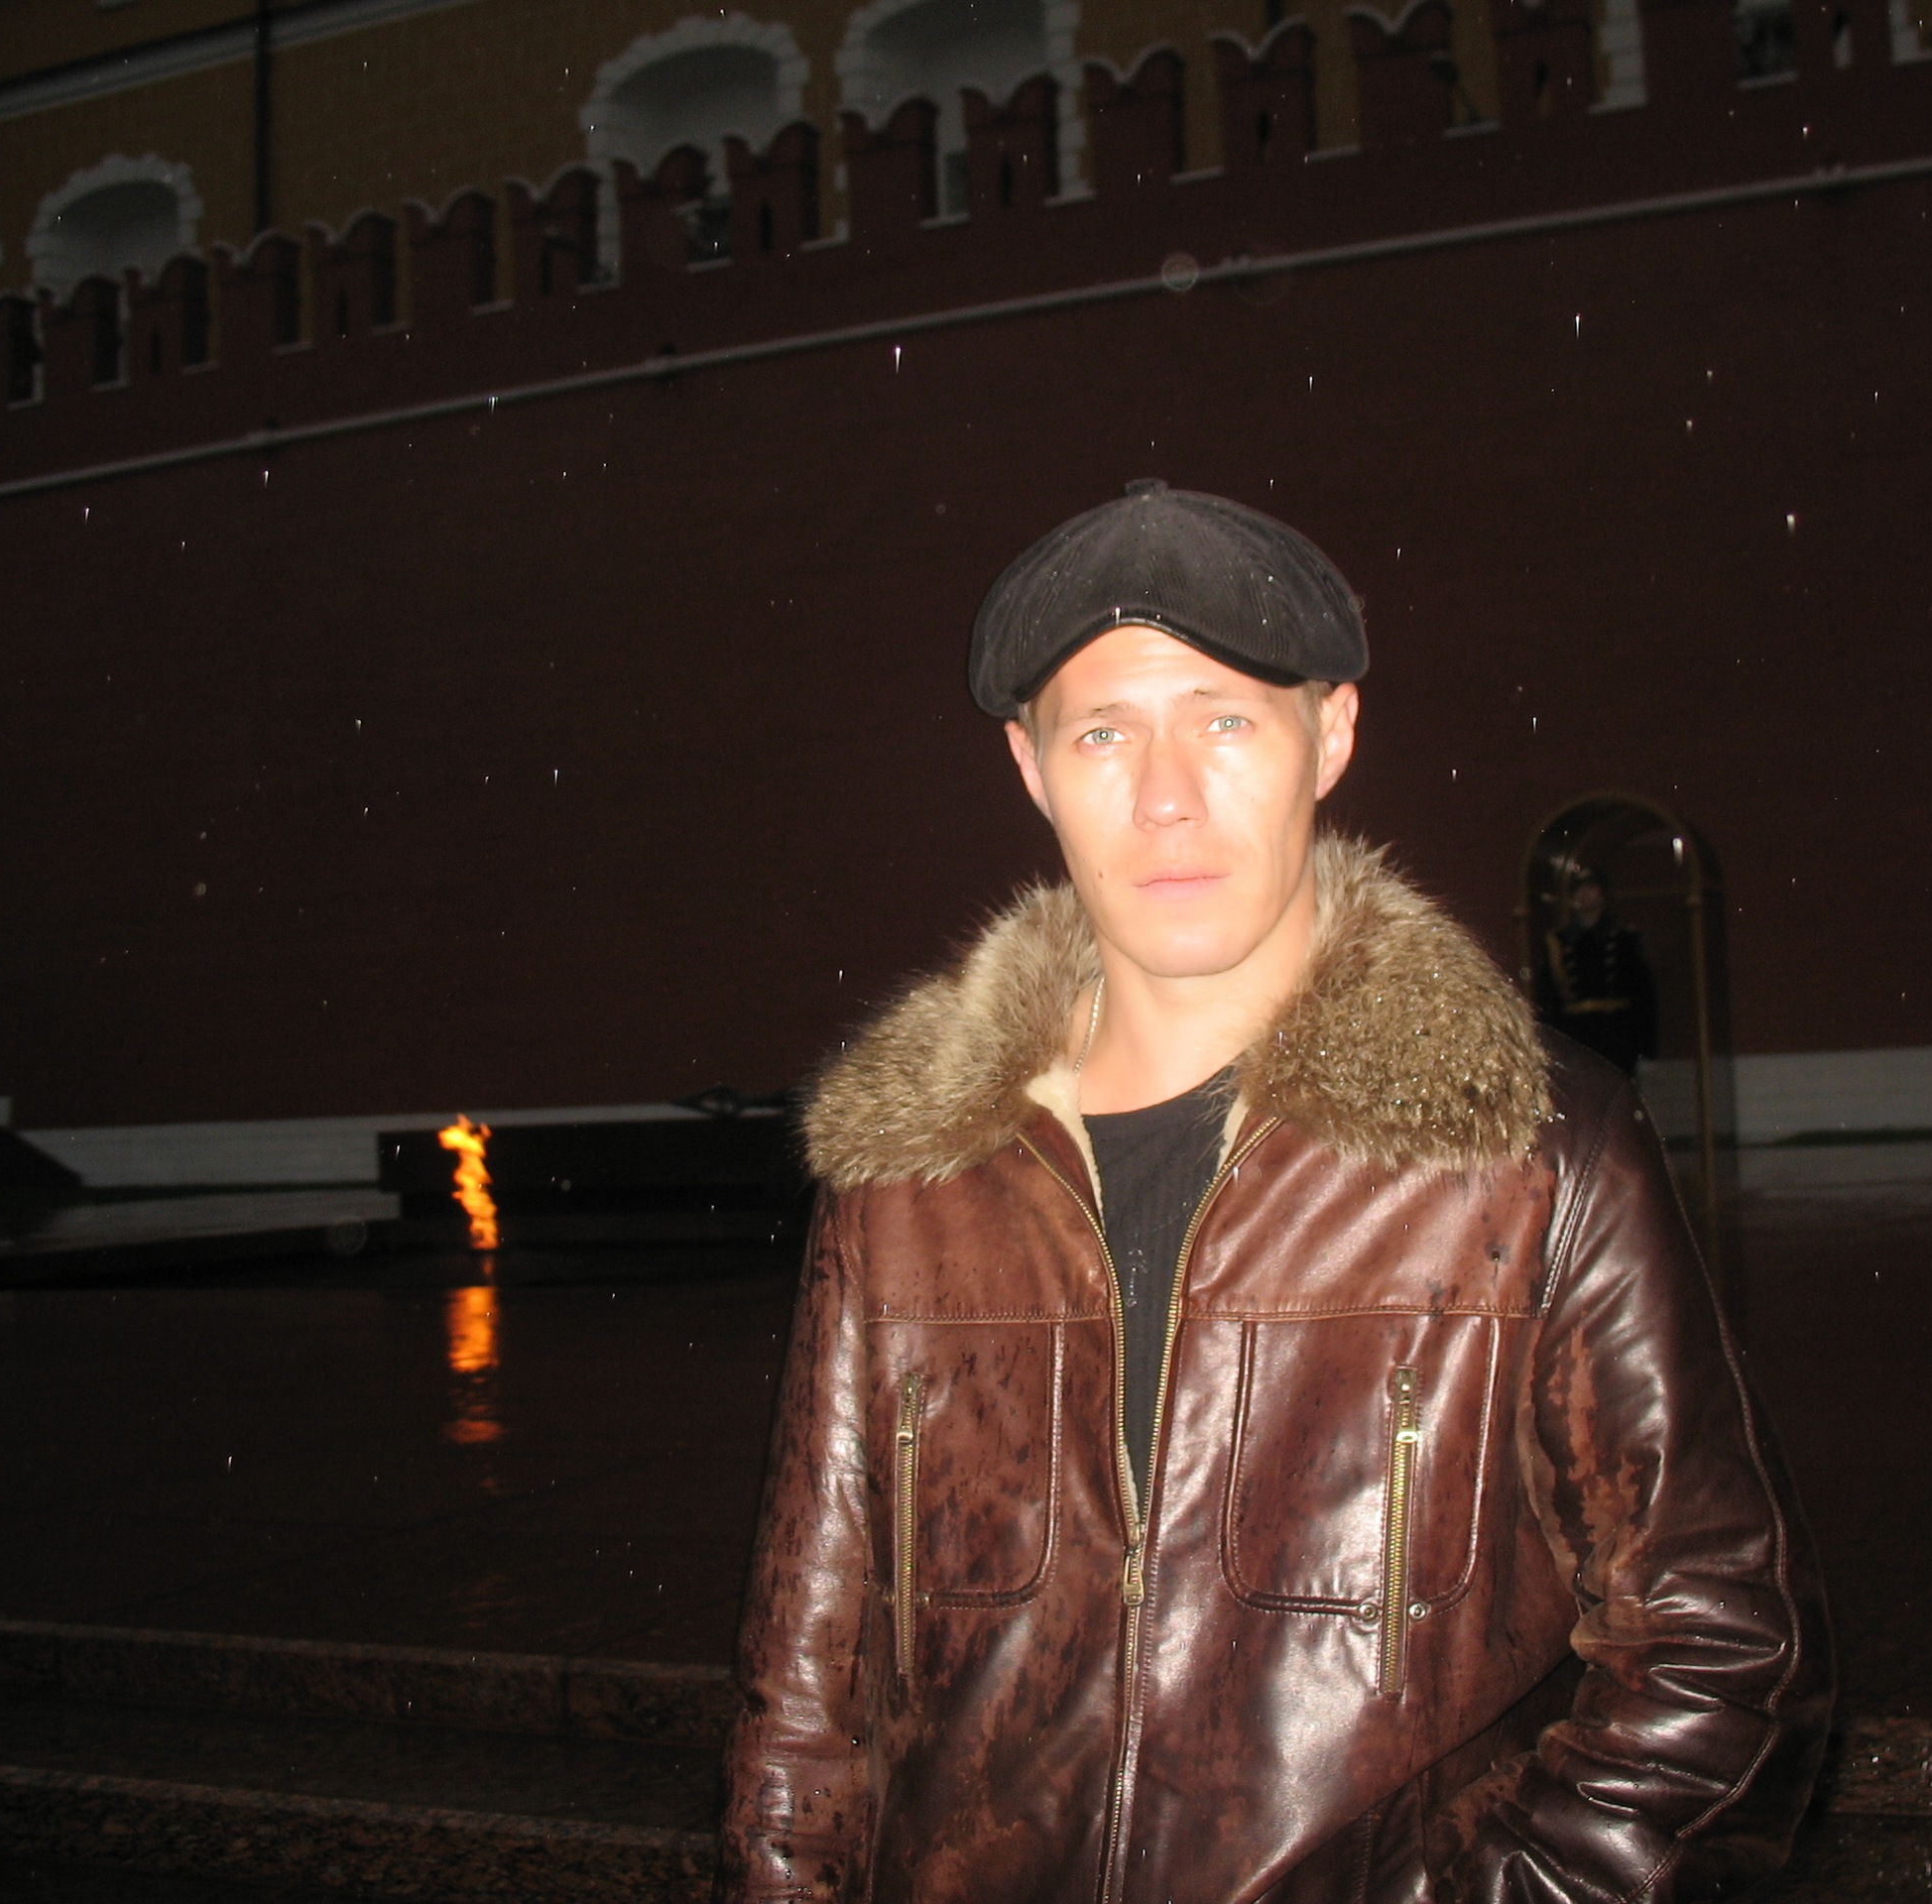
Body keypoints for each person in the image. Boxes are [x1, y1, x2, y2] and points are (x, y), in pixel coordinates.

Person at [719, 481, 1830, 1902]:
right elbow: (805, 1702)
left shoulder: (1527, 1157)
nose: (1165, 795)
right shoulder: (905, 1182)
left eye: (1225, 721)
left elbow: (1730, 1659)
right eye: (1104, 732)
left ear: (1333, 735)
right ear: (1029, 767)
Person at [1533, 867, 1659, 1077]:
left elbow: (1643, 994)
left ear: (1602, 894)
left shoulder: (1624, 939)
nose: (1583, 894)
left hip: (1616, 1033)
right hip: (1575, 1034)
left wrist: (1646, 1049)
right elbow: (1548, 996)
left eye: (1590, 888)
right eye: (1578, 889)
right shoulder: (1558, 942)